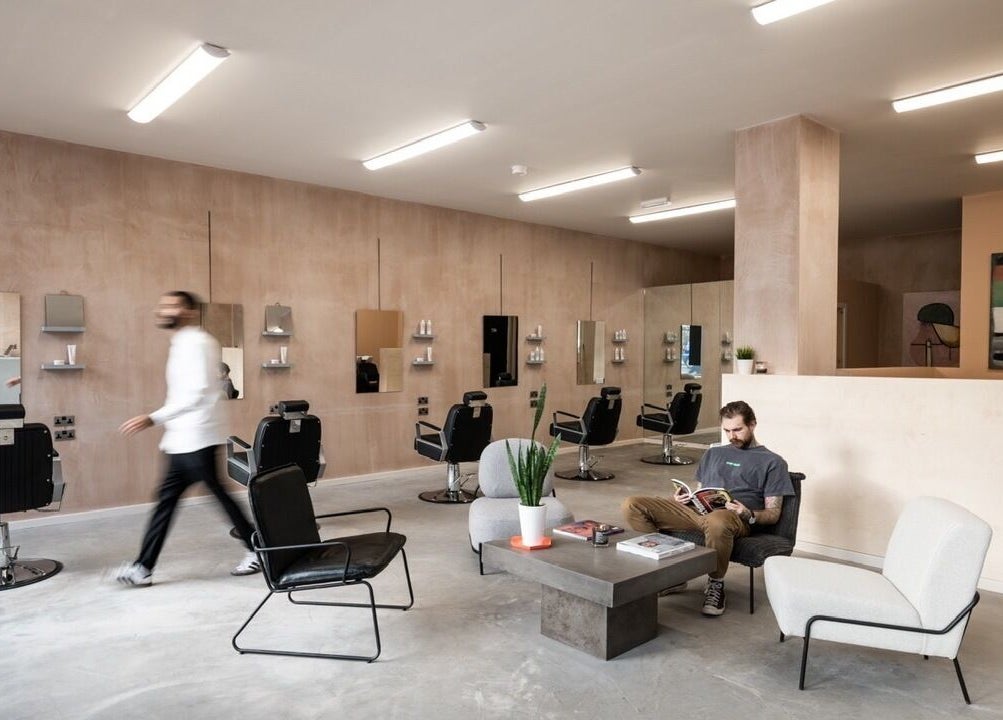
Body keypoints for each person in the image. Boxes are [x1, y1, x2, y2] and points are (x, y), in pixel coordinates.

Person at [116, 290, 260, 586]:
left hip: (199, 437)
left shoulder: (199, 343)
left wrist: (152, 418)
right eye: (164, 303)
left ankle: (257, 550)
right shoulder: (181, 343)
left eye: (172, 305)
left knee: (216, 496)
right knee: (169, 502)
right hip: (180, 440)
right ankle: (143, 568)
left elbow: (196, 394)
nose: (165, 309)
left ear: (190, 311)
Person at [621, 400, 792, 616]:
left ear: (753, 425)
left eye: (738, 429)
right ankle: (671, 575)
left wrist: (747, 512)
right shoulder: (714, 453)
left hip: (733, 519)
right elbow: (701, 490)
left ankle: (716, 584)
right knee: (633, 505)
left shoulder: (772, 462)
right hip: (698, 513)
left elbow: (773, 514)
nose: (732, 436)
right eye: (727, 430)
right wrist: (685, 498)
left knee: (718, 520)